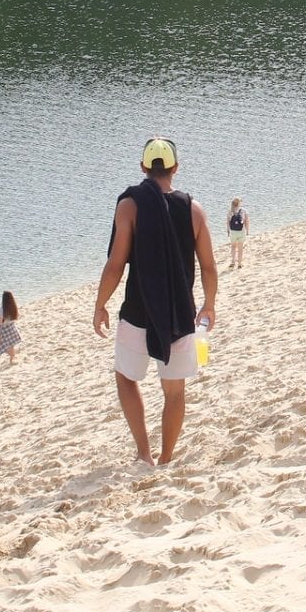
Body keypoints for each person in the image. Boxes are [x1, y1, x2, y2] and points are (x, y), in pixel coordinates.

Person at [93, 137, 218, 467]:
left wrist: (100, 304)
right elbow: (208, 265)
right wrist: (209, 304)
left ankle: (144, 453)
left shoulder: (130, 205)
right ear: (176, 168)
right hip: (179, 312)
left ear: (143, 168)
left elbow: (116, 263)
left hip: (138, 309)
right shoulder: (194, 209)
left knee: (125, 376)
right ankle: (166, 458)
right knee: (174, 391)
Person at [0, 290, 22, 365]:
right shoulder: (13, 305)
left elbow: (0, 322)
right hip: (11, 327)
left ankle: (13, 354)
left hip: (3, 330)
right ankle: (12, 358)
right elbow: (17, 317)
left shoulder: (2, 308)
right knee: (10, 344)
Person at [226, 198, 250, 269]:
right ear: (239, 203)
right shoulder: (244, 211)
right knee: (240, 248)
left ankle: (233, 262)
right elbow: (247, 222)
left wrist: (228, 231)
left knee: (233, 247)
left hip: (233, 232)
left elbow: (228, 223)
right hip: (241, 231)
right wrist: (248, 231)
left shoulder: (230, 211)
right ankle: (239, 263)